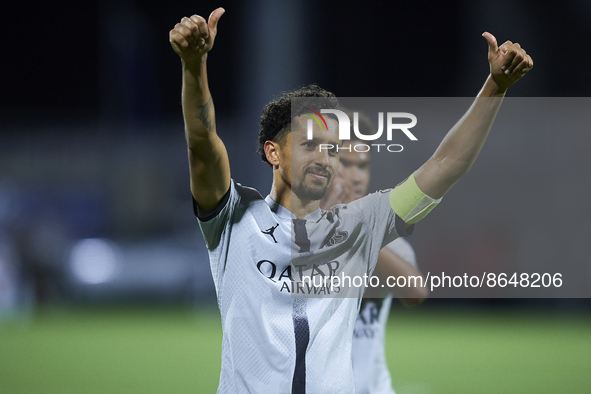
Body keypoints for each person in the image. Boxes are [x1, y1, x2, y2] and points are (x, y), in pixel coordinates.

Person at [169, 7, 533, 393]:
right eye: (310, 144)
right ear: (273, 153)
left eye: (331, 149)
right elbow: (203, 146)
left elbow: (445, 165)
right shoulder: (234, 220)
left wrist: (495, 87)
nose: (324, 158)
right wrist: (194, 65)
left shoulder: (360, 225)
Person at [319, 131, 427, 394]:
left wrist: (356, 229)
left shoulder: (387, 241)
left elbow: (415, 292)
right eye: (345, 163)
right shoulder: (296, 233)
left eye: (362, 166)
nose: (356, 176)